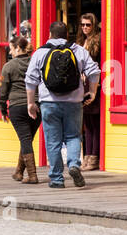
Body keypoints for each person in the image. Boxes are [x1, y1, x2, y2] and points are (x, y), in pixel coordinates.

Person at [26, 21, 99, 188]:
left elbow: (30, 80)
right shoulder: (78, 50)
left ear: (49, 34)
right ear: (67, 35)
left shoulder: (40, 53)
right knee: (73, 136)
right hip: (73, 102)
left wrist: (31, 103)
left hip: (48, 102)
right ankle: (73, 165)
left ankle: (57, 179)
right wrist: (92, 92)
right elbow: (94, 72)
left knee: (53, 141)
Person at [0, 36, 38, 184]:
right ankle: (19, 172)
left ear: (18, 48)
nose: (10, 52)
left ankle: (32, 175)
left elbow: (2, 91)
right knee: (27, 139)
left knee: (25, 139)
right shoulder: (35, 63)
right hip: (36, 105)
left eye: (11, 49)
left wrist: (3, 110)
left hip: (17, 107)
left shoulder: (9, 66)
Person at [78, 13, 103, 171]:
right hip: (82, 85)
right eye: (83, 25)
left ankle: (94, 156)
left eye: (88, 25)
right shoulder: (81, 41)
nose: (85, 27)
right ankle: (86, 156)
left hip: (93, 84)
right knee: (86, 122)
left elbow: (97, 64)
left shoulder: (97, 41)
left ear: (94, 26)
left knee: (94, 122)